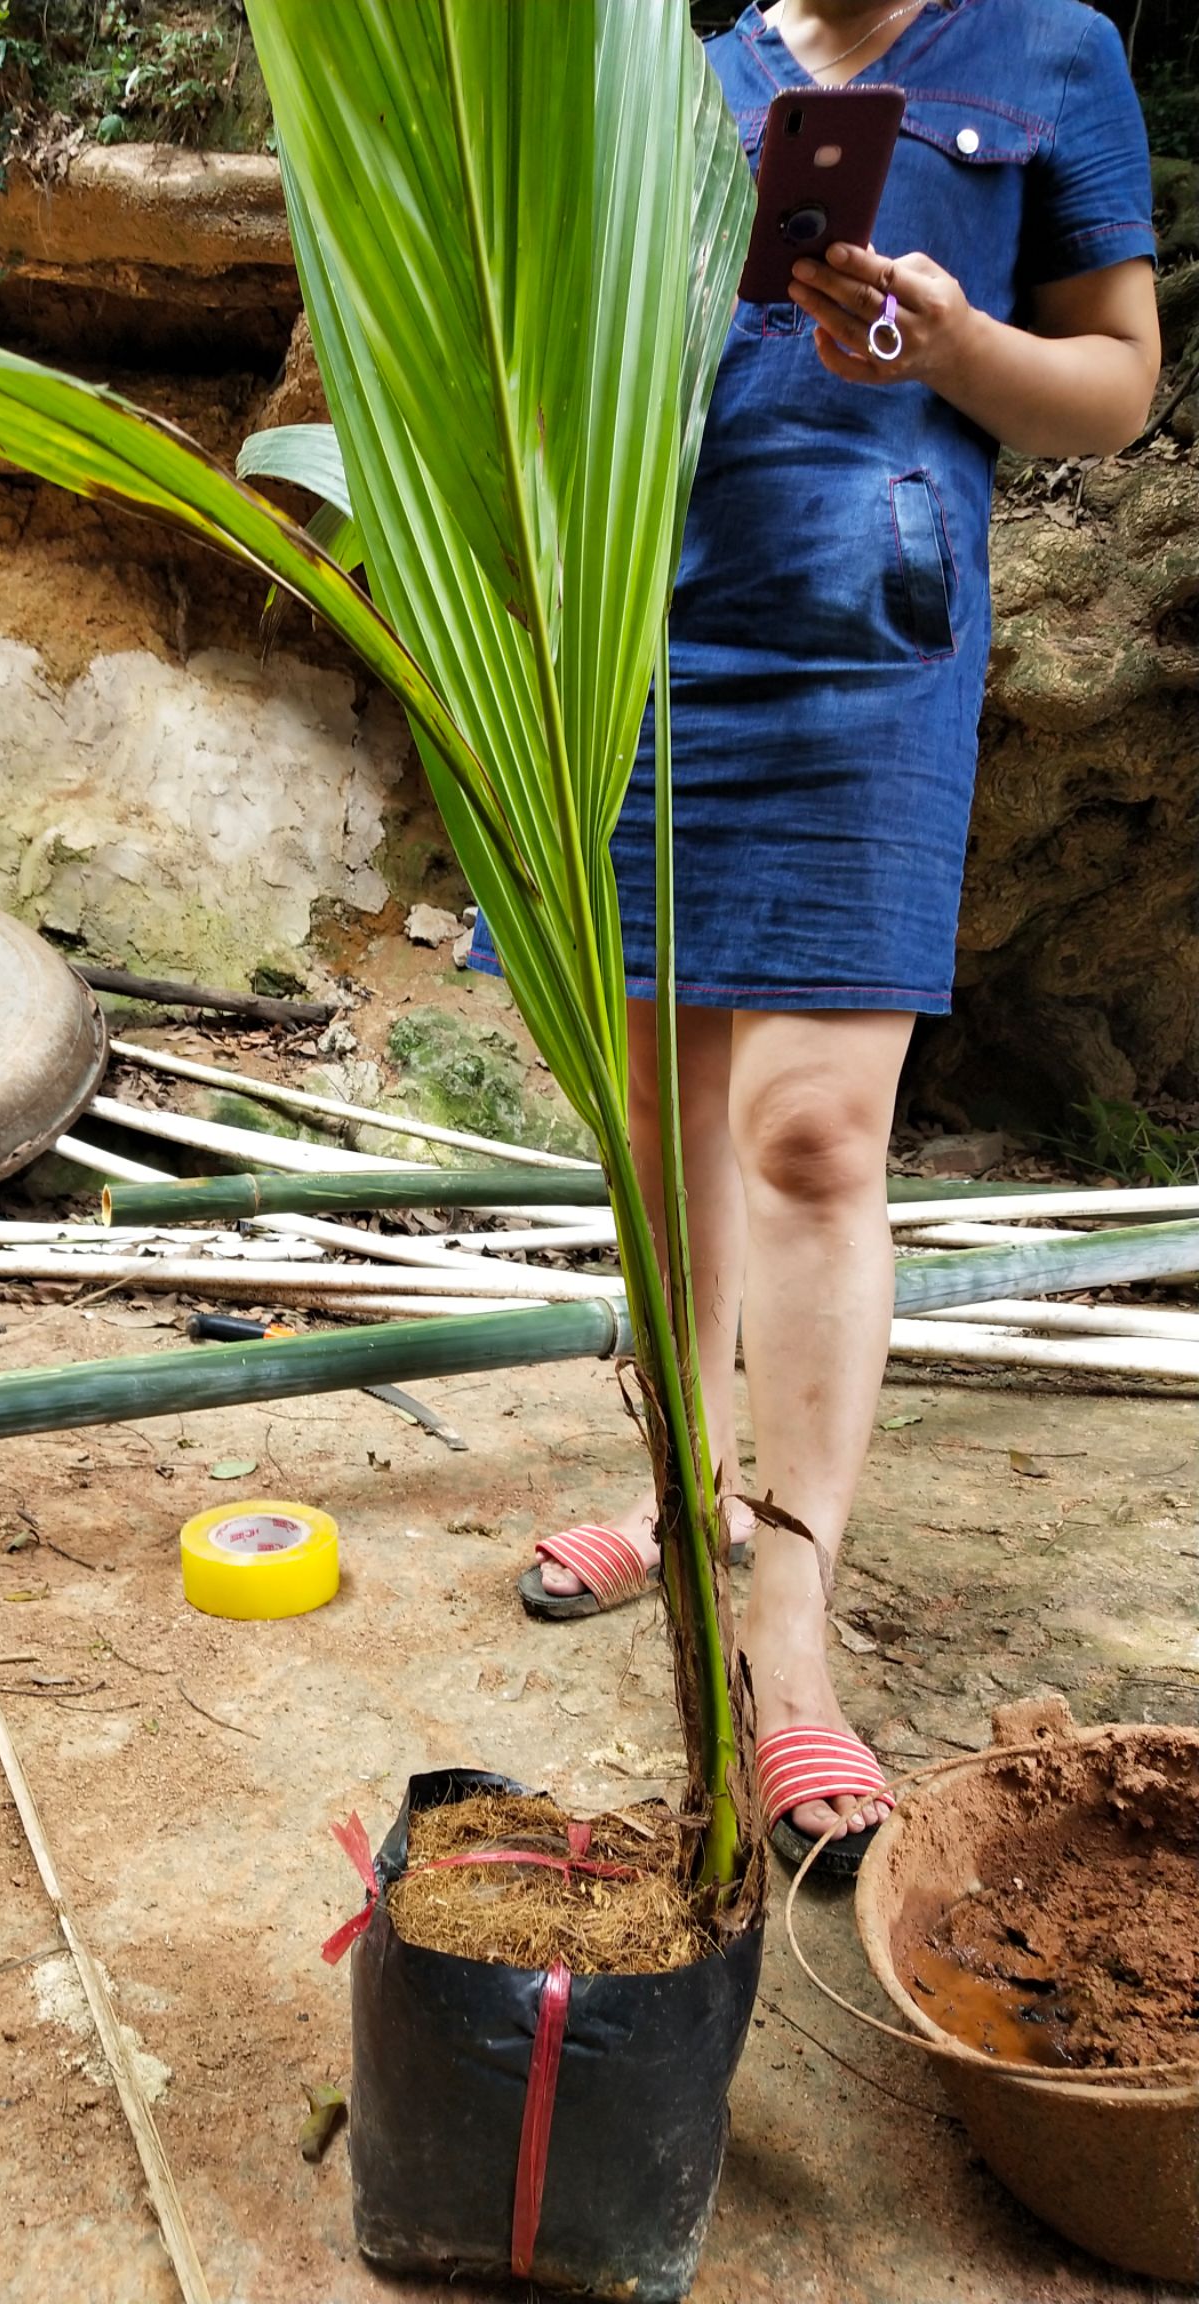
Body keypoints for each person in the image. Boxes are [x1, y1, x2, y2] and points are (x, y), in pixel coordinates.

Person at [472, 0, 1160, 1874]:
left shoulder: (1051, 46)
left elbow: (1115, 389)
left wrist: (962, 345)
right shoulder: (673, 69)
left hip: (873, 627)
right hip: (637, 629)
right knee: (660, 1131)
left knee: (809, 1138)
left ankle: (791, 1620)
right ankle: (673, 1493)